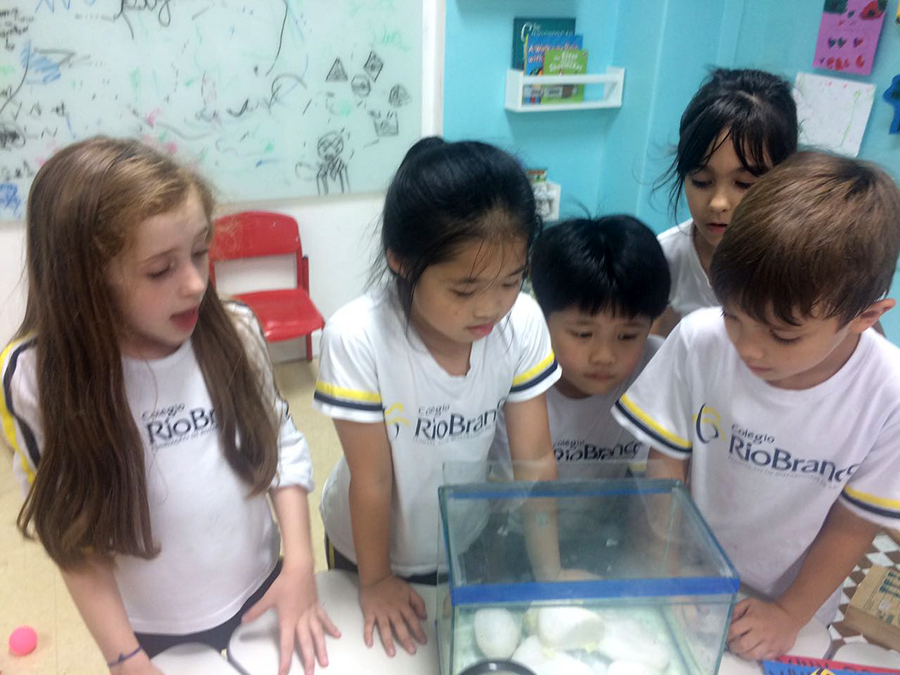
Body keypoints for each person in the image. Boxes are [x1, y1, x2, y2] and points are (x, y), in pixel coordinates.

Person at [0, 137, 337, 675]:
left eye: (201, 251)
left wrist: (299, 564)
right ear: (84, 279)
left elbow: (281, 445)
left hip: (266, 589)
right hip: (151, 630)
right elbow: (71, 535)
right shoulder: (35, 378)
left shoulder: (235, 330)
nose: (196, 284)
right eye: (160, 270)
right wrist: (125, 657)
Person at [612, 152, 900, 661]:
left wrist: (789, 612)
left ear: (866, 316)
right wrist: (670, 569)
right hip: (690, 568)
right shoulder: (700, 340)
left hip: (796, 596)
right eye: (733, 315)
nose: (748, 348)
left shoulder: (887, 391)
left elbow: (854, 522)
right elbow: (666, 467)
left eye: (783, 335)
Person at [313, 137, 561, 658]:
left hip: (460, 537)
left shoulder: (522, 322)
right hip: (368, 547)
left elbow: (536, 460)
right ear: (401, 261)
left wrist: (551, 574)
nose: (489, 308)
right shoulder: (358, 336)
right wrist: (376, 581)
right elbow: (373, 479)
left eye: (510, 281)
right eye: (464, 290)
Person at [489, 215, 671, 480]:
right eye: (583, 334)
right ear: (541, 318)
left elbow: (652, 483)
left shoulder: (655, 369)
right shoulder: (512, 373)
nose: (604, 356)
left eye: (627, 336)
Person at [652, 68, 798, 336]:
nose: (718, 203)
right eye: (701, 181)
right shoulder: (663, 260)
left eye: (744, 184)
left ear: (785, 177)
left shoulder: (810, 263)